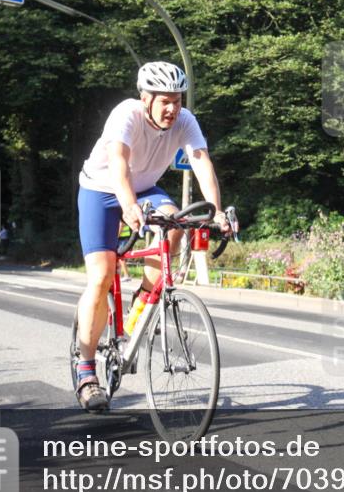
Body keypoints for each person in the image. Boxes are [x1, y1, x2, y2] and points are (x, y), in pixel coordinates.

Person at [74, 61, 230, 412]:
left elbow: (202, 161)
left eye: (177, 100)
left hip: (146, 190)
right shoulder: (125, 115)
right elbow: (118, 165)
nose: (172, 108)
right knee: (101, 277)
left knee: (174, 224)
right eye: (164, 101)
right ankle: (86, 370)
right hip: (101, 190)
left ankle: (143, 299)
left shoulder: (185, 120)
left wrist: (216, 212)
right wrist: (128, 207)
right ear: (145, 99)